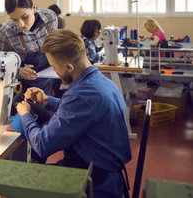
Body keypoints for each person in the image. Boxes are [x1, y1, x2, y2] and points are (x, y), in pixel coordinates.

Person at [16, 29, 132, 198]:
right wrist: (47, 100)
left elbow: (42, 145)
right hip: (106, 170)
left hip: (93, 180)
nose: (55, 72)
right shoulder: (100, 81)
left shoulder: (80, 95)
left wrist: (25, 114)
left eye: (55, 68)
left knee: (19, 182)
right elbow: (83, 110)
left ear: (69, 66)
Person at [0, 0, 58, 97]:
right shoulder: (6, 33)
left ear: (33, 8)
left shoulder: (50, 18)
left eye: (25, 17)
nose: (21, 24)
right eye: (14, 20)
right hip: (28, 85)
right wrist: (19, 71)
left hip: (54, 74)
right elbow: (0, 66)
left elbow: (56, 44)